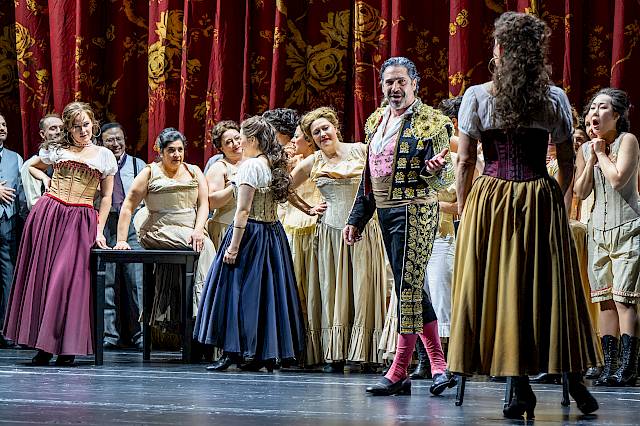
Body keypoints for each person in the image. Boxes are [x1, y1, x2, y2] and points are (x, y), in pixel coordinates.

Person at [448, 12, 599, 419]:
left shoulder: (477, 96)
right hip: (539, 196)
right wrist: (556, 199)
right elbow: (566, 161)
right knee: (549, 287)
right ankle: (573, 379)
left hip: (492, 199)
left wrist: (465, 207)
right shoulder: (554, 98)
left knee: (502, 285)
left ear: (499, 50)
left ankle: (518, 384)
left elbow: (465, 161)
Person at [344, 57, 456, 395]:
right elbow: (370, 175)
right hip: (385, 213)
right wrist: (357, 218)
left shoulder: (432, 122)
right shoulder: (376, 120)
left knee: (408, 287)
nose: (395, 88)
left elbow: (447, 178)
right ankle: (435, 367)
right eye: (389, 82)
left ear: (414, 83)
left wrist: (436, 169)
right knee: (410, 288)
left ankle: (401, 370)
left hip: (416, 209)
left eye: (401, 81)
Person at [3, 101, 117, 365]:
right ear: (68, 128)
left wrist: (99, 230)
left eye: (86, 125)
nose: (83, 130)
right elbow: (31, 166)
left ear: (93, 124)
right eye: (76, 127)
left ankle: (66, 347)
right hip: (50, 214)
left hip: (80, 219)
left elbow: (107, 197)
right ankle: (43, 347)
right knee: (44, 277)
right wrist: (45, 178)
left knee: (68, 281)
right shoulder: (57, 150)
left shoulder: (103, 155)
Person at [194, 116, 305, 372]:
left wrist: (233, 247)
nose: (239, 142)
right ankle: (261, 354)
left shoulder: (251, 166)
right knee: (266, 294)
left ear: (252, 139)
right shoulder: (271, 163)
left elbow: (243, 211)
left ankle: (233, 352)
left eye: (241, 137)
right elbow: (288, 194)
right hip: (272, 234)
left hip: (251, 235)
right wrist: (308, 208)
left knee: (235, 292)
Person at [290, 107, 389, 373]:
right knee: (331, 290)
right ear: (311, 139)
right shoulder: (313, 162)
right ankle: (335, 354)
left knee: (363, 288)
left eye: (325, 128)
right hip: (330, 235)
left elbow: (383, 181)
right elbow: (283, 187)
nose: (323, 134)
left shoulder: (361, 150)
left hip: (364, 231)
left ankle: (367, 353)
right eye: (316, 132)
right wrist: (308, 208)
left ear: (336, 127)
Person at [114, 128, 215, 350]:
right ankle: (203, 309)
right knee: (204, 247)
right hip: (159, 228)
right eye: (171, 150)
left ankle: (195, 320)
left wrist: (199, 229)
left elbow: (204, 204)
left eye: (180, 149)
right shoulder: (150, 172)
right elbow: (128, 205)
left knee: (202, 244)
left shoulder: (194, 171)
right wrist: (121, 240)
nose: (177, 155)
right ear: (160, 152)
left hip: (190, 229)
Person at [574, 88, 640, 387]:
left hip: (627, 227)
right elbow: (580, 191)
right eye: (592, 108)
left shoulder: (628, 141)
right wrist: (590, 157)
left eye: (602, 107)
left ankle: (628, 367)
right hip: (597, 231)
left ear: (616, 115)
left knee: (624, 299)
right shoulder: (587, 150)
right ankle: (608, 365)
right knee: (604, 301)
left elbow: (617, 179)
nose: (594, 113)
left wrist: (600, 153)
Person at [410, 96, 462, 380]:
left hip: (442, 236)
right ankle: (425, 359)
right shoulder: (414, 159)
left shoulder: (457, 161)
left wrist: (434, 204)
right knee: (418, 298)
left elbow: (464, 206)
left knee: (441, 297)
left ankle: (448, 361)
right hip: (415, 236)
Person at [279, 124, 323, 366]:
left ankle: (313, 348)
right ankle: (296, 346)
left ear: (308, 140)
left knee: (311, 288)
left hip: (310, 224)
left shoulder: (316, 161)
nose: (293, 141)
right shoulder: (291, 162)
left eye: (297, 137)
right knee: (296, 288)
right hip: (293, 224)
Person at [99, 122, 146, 349]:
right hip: (106, 223)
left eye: (119, 139)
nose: (115, 144)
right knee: (106, 280)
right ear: (101, 143)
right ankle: (109, 335)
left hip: (132, 225)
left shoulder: (139, 165)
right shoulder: (98, 164)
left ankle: (141, 334)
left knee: (136, 280)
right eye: (110, 140)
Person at [0, 113, 27, 348]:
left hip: (6, 223)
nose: (2, 128)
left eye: (4, 124)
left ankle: (7, 330)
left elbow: (21, 191)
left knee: (8, 275)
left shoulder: (15, 158)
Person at [205, 121, 243, 250]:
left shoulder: (254, 161)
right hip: (227, 228)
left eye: (237, 138)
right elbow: (211, 202)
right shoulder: (219, 167)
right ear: (221, 148)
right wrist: (235, 185)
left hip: (251, 229)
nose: (235, 143)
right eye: (228, 142)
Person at [22, 114, 62, 210]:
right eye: (53, 128)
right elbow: (34, 203)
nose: (59, 132)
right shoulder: (32, 164)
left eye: (62, 128)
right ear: (43, 134)